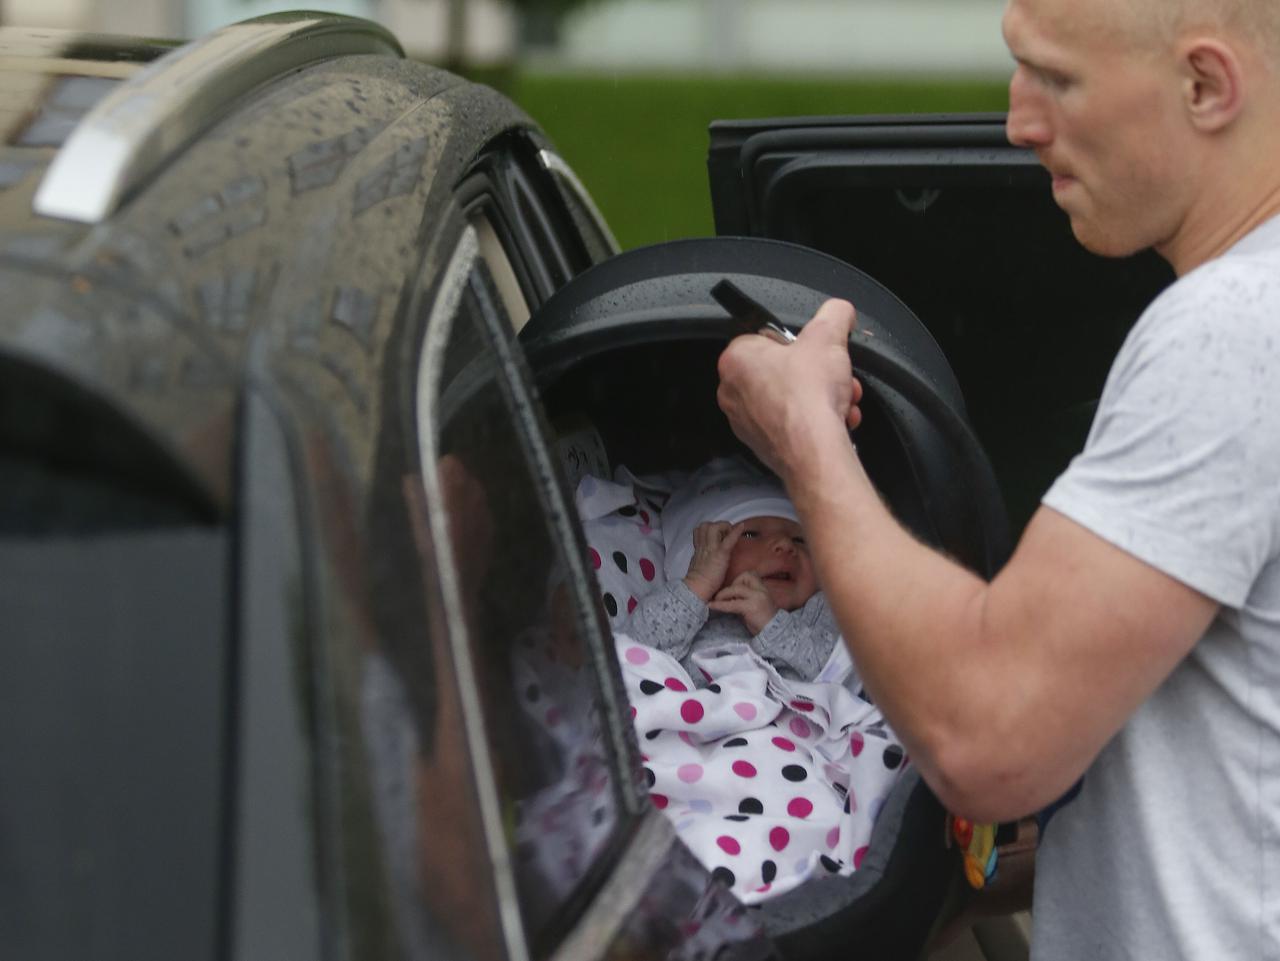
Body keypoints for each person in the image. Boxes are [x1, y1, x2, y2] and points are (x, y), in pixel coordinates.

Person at [714, 0, 1280, 957]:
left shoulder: (1232, 333)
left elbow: (988, 735)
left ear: (1205, 85)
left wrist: (805, 437)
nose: (1019, 121)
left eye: (1055, 77)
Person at [622, 458, 843, 684]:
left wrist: (774, 625)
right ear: (700, 557)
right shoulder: (686, 617)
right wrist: (697, 584)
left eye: (800, 540)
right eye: (751, 534)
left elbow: (849, 676)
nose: (786, 544)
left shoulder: (823, 611)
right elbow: (627, 660)